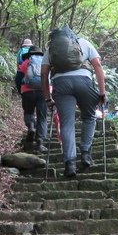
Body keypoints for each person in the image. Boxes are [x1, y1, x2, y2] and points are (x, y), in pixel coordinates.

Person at [41, 27, 106, 178]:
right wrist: (102, 92)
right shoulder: (83, 42)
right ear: (72, 36)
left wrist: (47, 99)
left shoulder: (51, 48)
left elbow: (44, 74)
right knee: (89, 116)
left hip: (61, 84)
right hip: (84, 82)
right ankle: (85, 154)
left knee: (67, 124)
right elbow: (97, 66)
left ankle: (70, 163)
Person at [16, 45, 48, 152]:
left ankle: (31, 127)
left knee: (28, 112)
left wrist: (20, 91)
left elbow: (18, 78)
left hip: (27, 91)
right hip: (43, 92)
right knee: (42, 117)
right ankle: (40, 142)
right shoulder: (45, 63)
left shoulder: (25, 62)